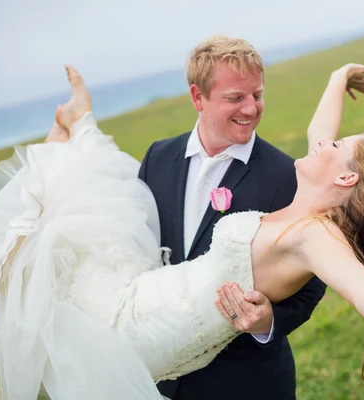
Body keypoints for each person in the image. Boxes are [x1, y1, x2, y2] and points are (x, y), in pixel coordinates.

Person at [0, 61, 364, 400]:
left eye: (334, 147)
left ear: (344, 176)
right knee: (79, 222)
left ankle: (74, 129)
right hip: (145, 292)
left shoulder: (315, 236)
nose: (318, 142)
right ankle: (78, 126)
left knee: (45, 246)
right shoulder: (312, 204)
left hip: (135, 333)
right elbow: (324, 129)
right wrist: (337, 78)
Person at [138, 36, 326, 400]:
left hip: (246, 382)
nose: (252, 108)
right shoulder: (157, 158)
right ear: (198, 97)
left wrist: (269, 320)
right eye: (235, 98)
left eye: (257, 94)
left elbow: (313, 282)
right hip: (161, 379)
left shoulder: (286, 176)